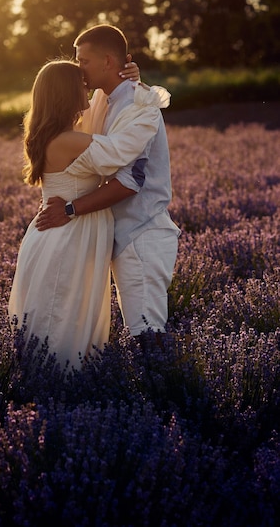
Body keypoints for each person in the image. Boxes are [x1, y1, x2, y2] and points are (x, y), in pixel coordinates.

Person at [8, 59, 164, 368]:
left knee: (62, 313)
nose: (89, 88)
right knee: (61, 314)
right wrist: (148, 103)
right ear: (66, 93)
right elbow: (121, 149)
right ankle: (59, 396)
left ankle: (55, 391)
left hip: (61, 233)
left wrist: (129, 83)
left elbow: (99, 110)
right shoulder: (68, 141)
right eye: (81, 84)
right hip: (68, 234)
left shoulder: (62, 134)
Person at [36, 24, 180, 343]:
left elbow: (131, 181)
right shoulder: (104, 98)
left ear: (107, 62)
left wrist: (70, 209)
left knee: (147, 334)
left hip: (141, 231)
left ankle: (164, 391)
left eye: (83, 61)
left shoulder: (137, 106)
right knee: (135, 330)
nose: (78, 68)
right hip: (117, 234)